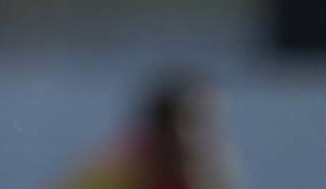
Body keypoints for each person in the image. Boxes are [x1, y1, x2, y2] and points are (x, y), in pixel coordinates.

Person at [55, 72, 235, 189]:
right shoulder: (114, 172)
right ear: (162, 129)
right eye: (194, 124)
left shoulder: (210, 172)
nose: (203, 138)